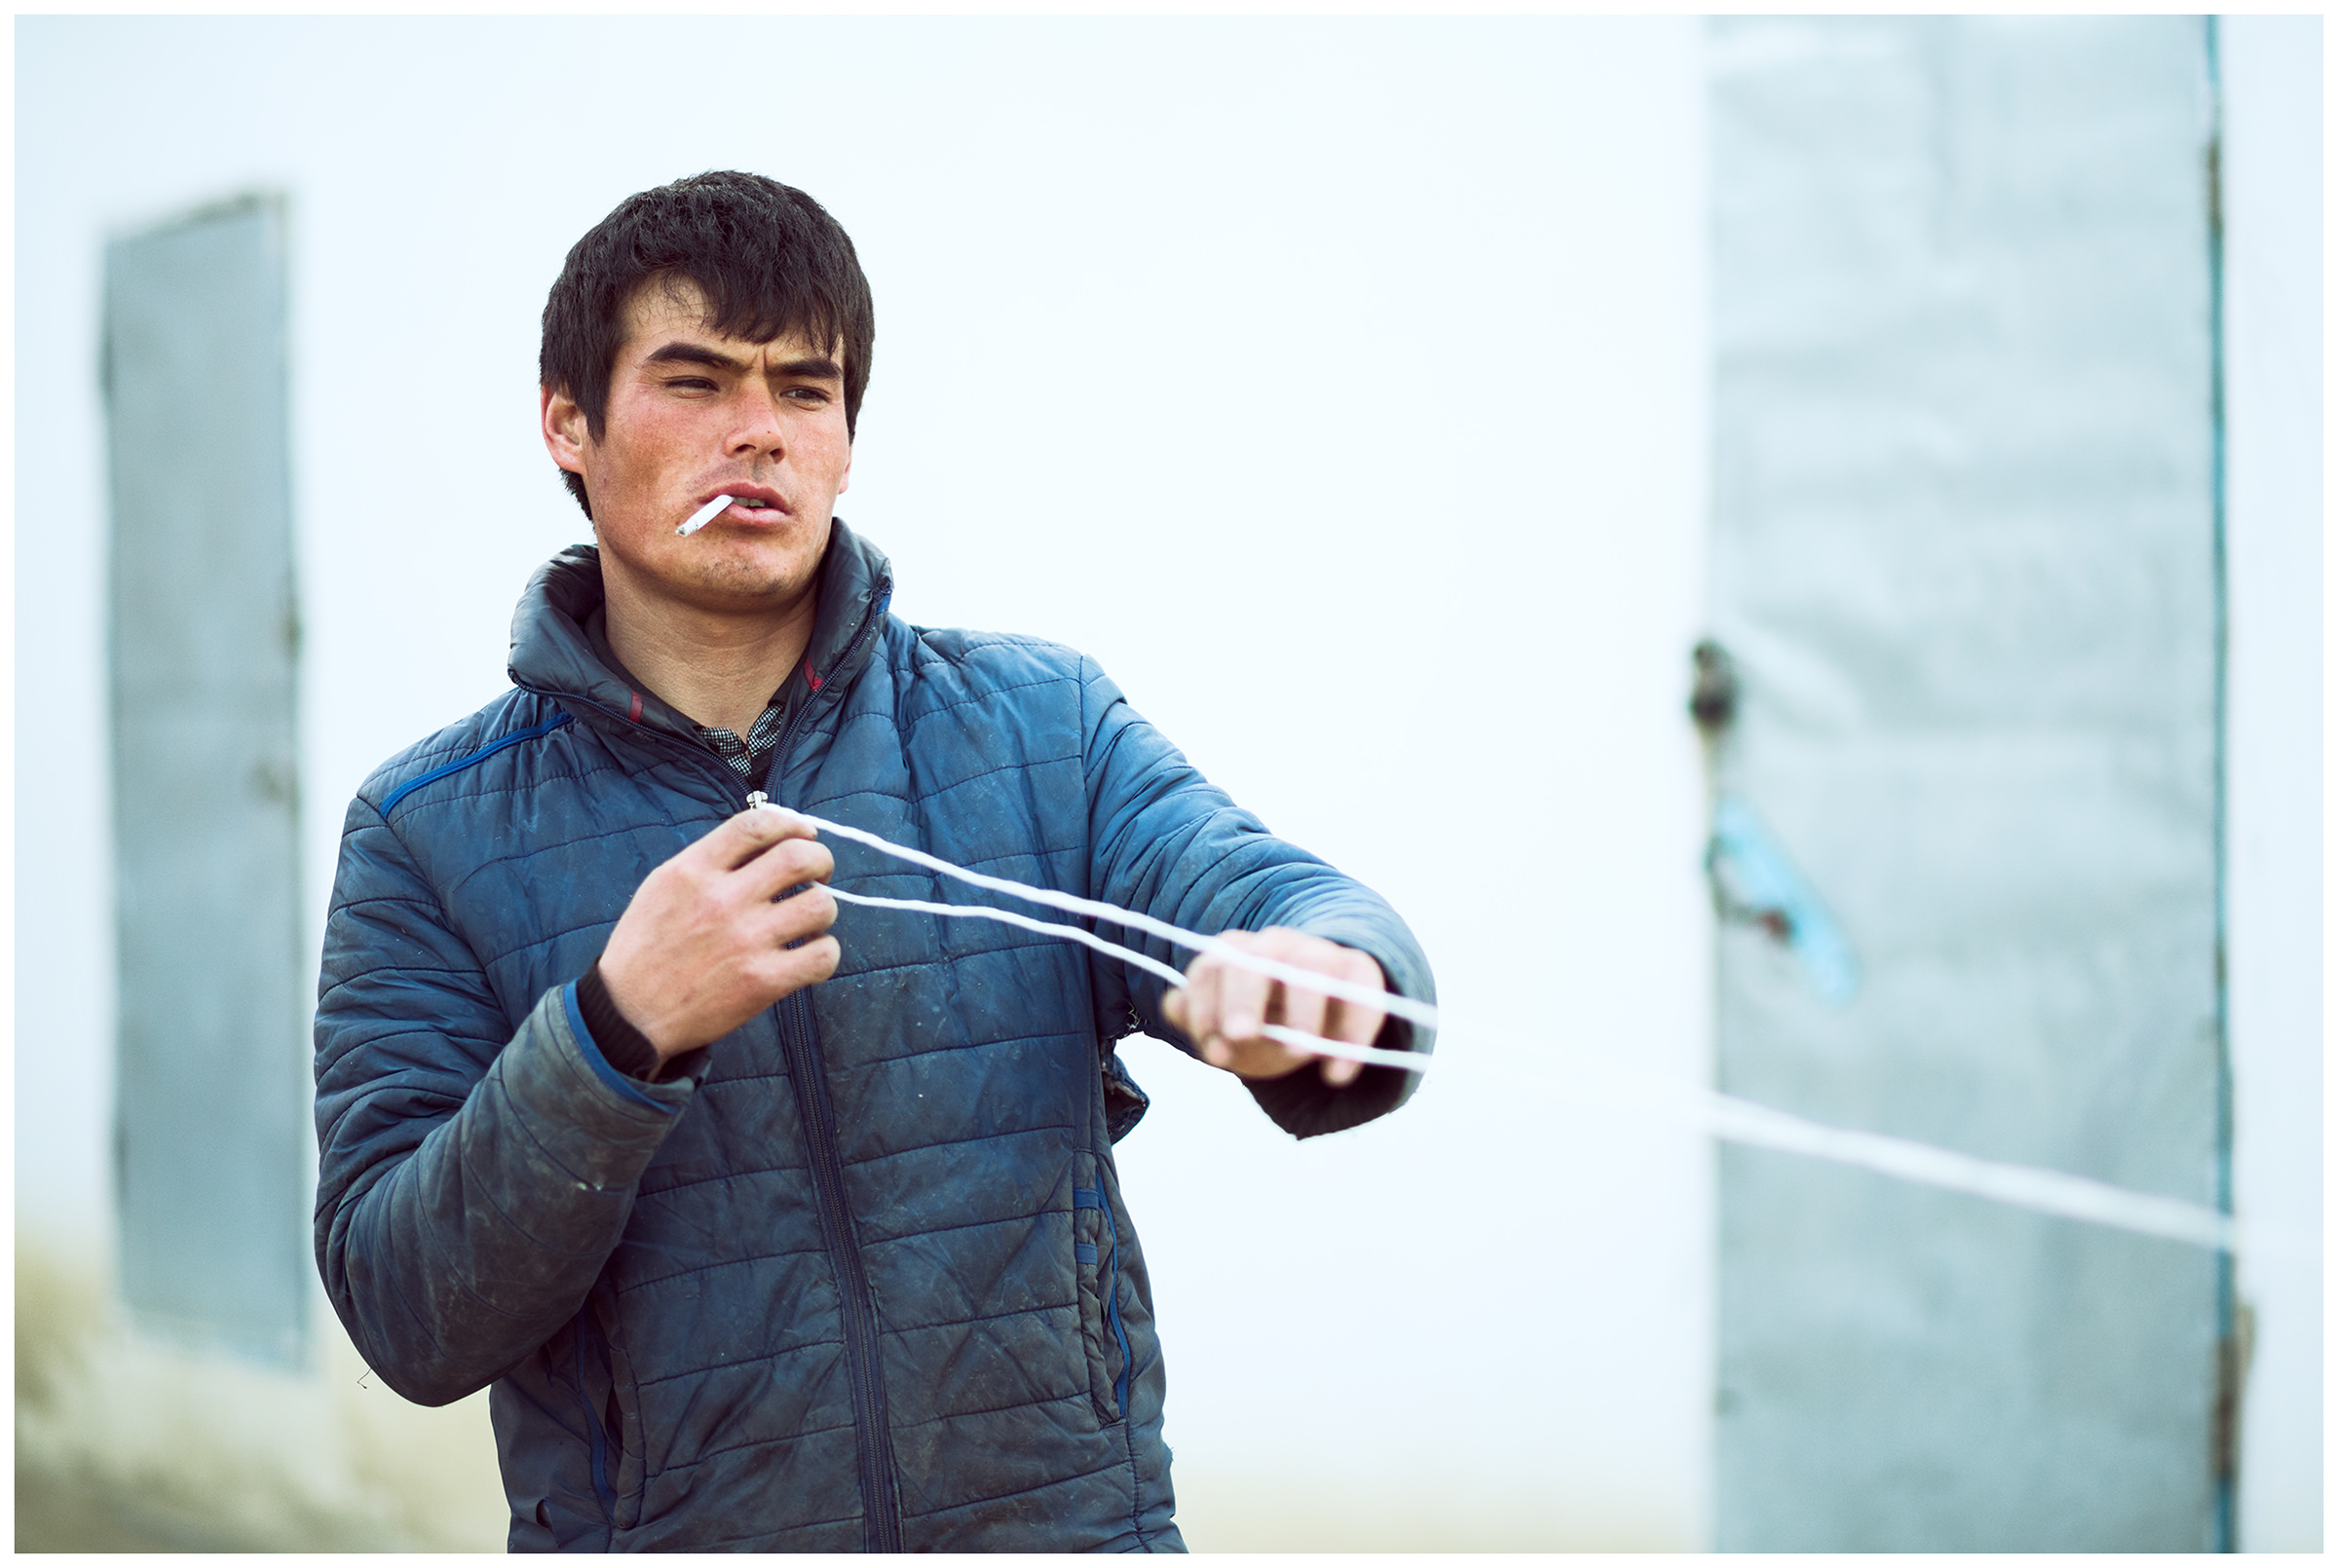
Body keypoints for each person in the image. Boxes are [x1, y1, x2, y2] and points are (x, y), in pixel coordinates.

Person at [313, 170, 1436, 1553]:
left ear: (848, 438)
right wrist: (614, 1034)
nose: (759, 434)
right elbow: (405, 1311)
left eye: (804, 387)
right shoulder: (427, 830)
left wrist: (1321, 972)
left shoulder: (1039, 724)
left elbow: (1293, 906)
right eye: (694, 381)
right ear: (568, 424)